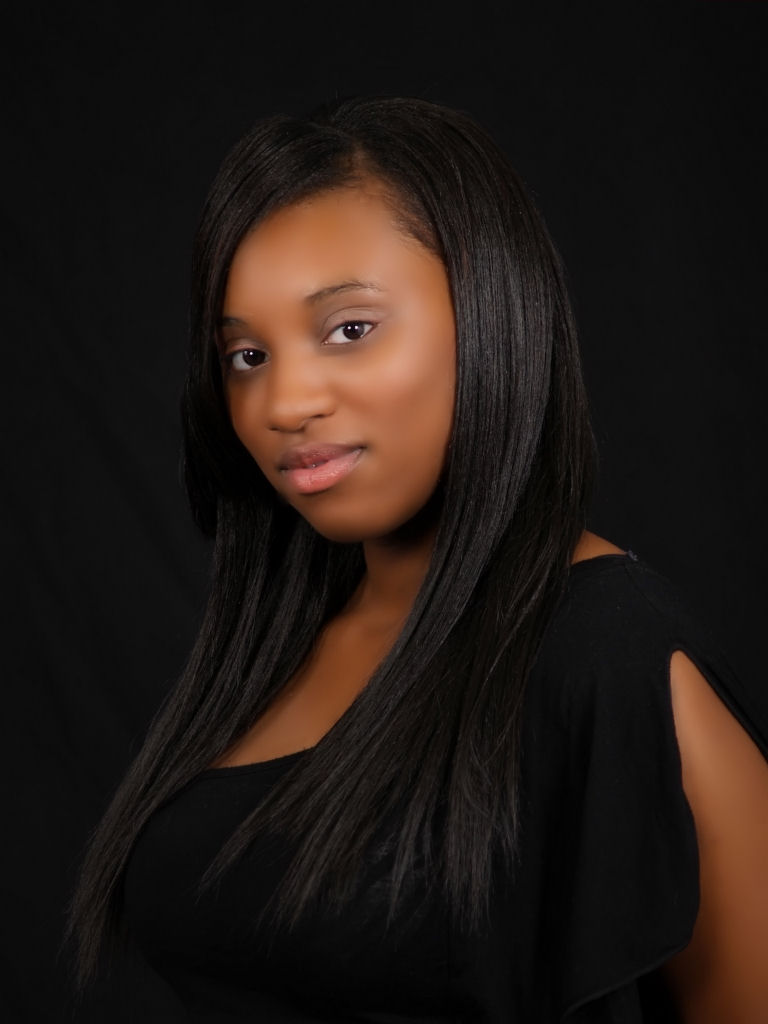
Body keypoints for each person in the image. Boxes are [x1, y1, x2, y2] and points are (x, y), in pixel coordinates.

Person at [68, 97, 768, 1022]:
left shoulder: (617, 660)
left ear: (490, 312)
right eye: (246, 355)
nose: (284, 403)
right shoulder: (281, 642)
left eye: (349, 329)